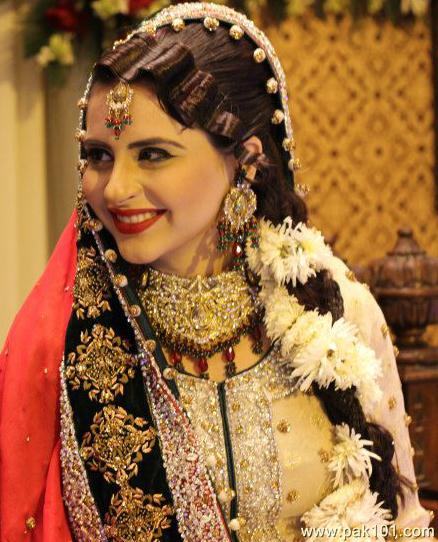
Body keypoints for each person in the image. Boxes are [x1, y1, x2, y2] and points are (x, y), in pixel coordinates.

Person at [0, 3, 434, 541]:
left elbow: (404, 525)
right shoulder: (61, 344)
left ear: (245, 160)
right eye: (99, 155)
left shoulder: (338, 310)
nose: (115, 189)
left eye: (152, 154)